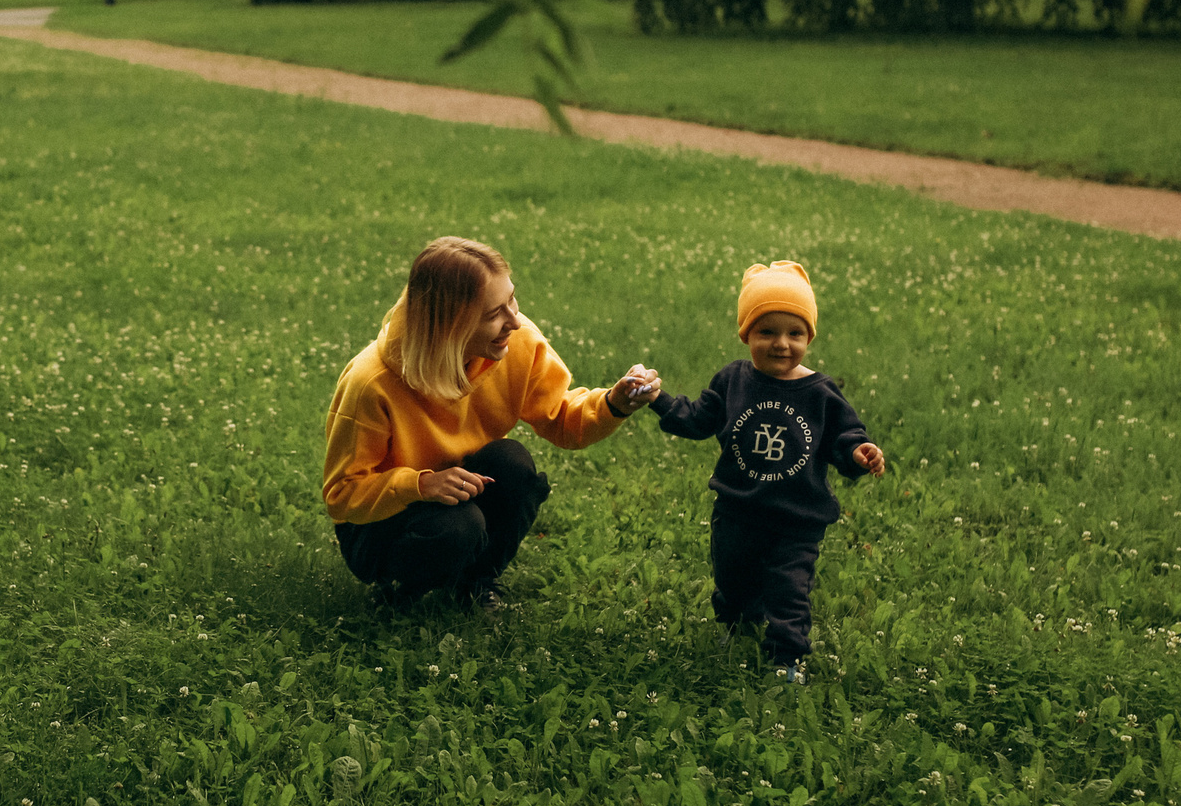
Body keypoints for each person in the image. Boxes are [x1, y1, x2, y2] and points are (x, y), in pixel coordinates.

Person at [323, 237, 659, 608]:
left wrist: (614, 403)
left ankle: (476, 584)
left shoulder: (517, 343)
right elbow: (342, 494)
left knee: (512, 464)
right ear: (448, 326)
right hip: (381, 525)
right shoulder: (371, 384)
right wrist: (420, 485)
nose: (514, 321)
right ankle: (400, 592)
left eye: (512, 299)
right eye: (493, 314)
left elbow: (562, 418)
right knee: (461, 526)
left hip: (457, 491)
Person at [650, 261, 885, 681]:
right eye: (766, 332)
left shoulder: (821, 393)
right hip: (737, 510)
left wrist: (858, 453)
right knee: (732, 577)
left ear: (808, 337)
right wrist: (659, 399)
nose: (781, 344)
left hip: (797, 520)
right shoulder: (733, 380)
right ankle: (738, 622)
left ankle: (786, 659)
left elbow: (844, 437)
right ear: (746, 335)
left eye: (795, 333)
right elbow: (699, 420)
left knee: (789, 590)